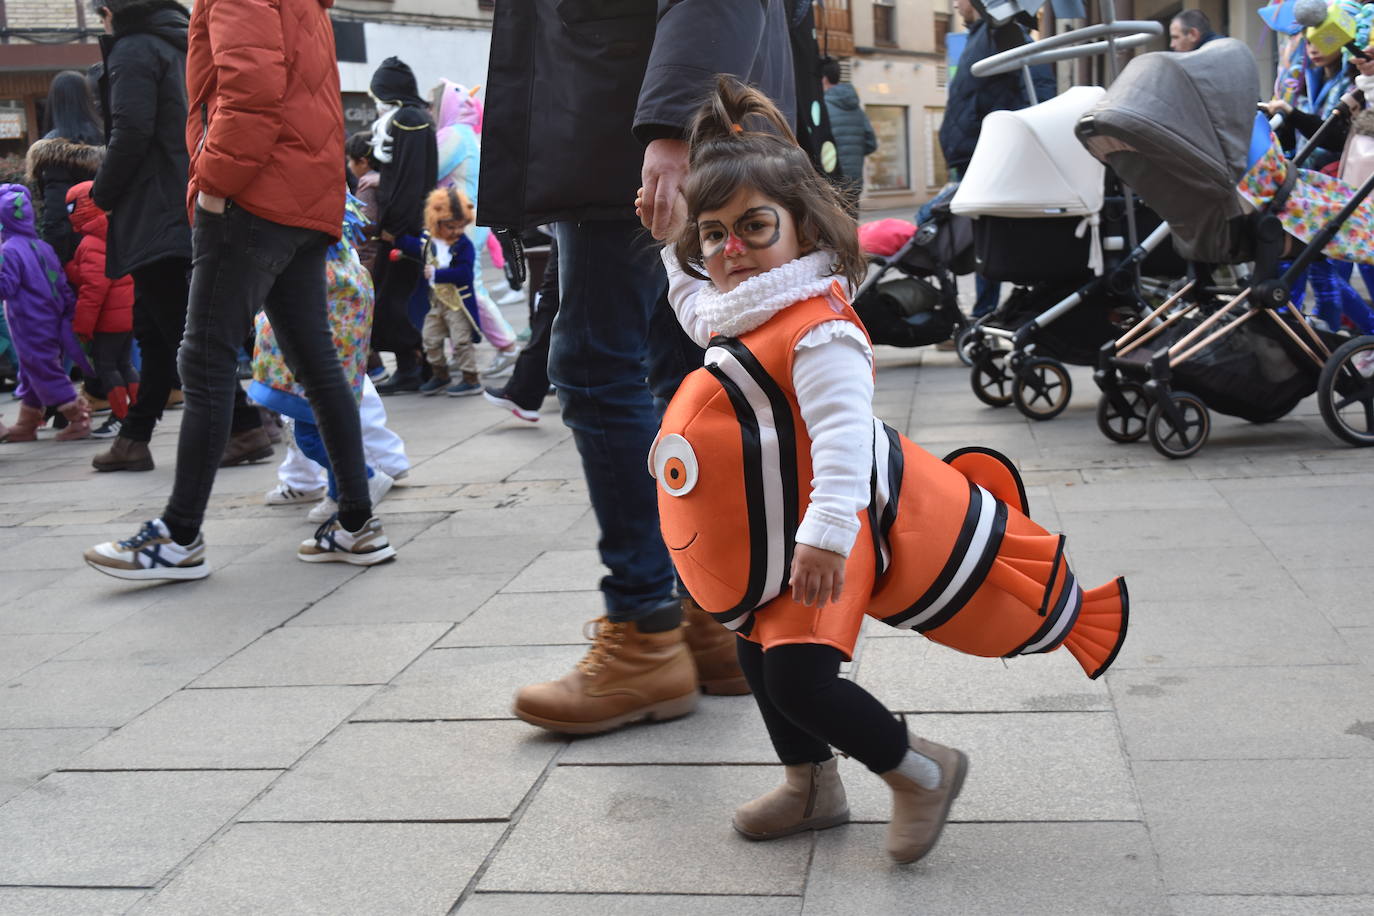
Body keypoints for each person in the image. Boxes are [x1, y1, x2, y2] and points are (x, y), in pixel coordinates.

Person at [653, 77, 969, 865]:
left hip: (825, 533)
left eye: (755, 226)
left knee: (799, 677)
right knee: (756, 655)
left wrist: (828, 533)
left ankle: (921, 771)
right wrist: (669, 243)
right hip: (778, 539)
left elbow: (844, 437)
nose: (732, 249)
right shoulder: (746, 304)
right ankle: (811, 786)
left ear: (802, 226)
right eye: (714, 233)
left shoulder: (821, 327)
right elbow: (697, 310)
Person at [480, 0, 800, 734]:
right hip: (628, 109)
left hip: (626, 121)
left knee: (596, 368)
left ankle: (645, 634)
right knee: (682, 367)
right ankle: (709, 616)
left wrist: (671, 126)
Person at [83, 0, 393, 581]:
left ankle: (179, 537)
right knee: (316, 362)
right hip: (302, 198)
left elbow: (250, 92)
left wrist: (214, 186)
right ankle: (356, 522)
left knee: (204, 358)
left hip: (253, 197)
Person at [87, 0, 269, 474]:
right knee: (155, 327)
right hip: (185, 196)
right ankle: (135, 436)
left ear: (109, 11)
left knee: (179, 330)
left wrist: (100, 193)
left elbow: (130, 132)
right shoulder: (183, 40)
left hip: (154, 210)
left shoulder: (132, 49)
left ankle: (245, 423)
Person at [249, 196, 395, 524]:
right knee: (329, 426)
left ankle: (364, 477)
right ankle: (336, 493)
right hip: (339, 361)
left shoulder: (309, 263)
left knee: (312, 436)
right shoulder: (340, 254)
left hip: (314, 365)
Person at [940, 0, 1056, 319]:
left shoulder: (1001, 33)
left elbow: (1037, 83)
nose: (954, 4)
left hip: (990, 153)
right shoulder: (982, 35)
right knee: (983, 237)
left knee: (990, 237)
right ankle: (988, 310)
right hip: (977, 152)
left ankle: (989, 311)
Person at [0, 184, 91, 443]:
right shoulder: (41, 246)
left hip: (29, 324)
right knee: (31, 373)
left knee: (44, 371)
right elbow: (61, 286)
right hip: (50, 321)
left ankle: (78, 417)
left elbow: (4, 287)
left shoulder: (8, 251)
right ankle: (27, 424)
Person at [368, 57, 437, 395]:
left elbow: (409, 181)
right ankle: (416, 365)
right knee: (390, 302)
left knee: (392, 303)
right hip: (402, 226)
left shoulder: (408, 119)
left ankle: (415, 363)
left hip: (404, 231)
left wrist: (394, 224)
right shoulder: (411, 118)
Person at [65, 180, 138, 439]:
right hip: (127, 313)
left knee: (107, 366)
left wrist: (82, 326)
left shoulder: (90, 242)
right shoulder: (116, 230)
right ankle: (137, 414)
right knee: (125, 363)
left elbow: (93, 289)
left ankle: (122, 417)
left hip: (108, 319)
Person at [397, 187, 484, 397]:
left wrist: (438, 274)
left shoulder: (464, 246)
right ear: (436, 222)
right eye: (450, 226)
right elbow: (412, 245)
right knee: (430, 339)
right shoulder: (429, 240)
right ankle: (440, 375)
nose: (456, 231)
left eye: (460, 226)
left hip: (458, 302)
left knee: (461, 341)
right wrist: (395, 237)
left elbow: (465, 273)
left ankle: (470, 378)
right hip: (436, 302)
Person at [25, 71, 104, 264]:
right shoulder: (107, 138)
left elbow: (56, 212)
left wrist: (53, 262)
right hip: (116, 247)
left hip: (77, 255)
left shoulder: (52, 149)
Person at [483, 234, 560, 423]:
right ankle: (525, 391)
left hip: (581, 222)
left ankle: (525, 391)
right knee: (553, 303)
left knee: (552, 304)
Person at [820, 58, 877, 210]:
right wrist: (854, 152)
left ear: (824, 79)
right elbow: (871, 143)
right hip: (854, 182)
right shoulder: (856, 108)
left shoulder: (822, 107)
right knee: (851, 227)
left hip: (831, 181)